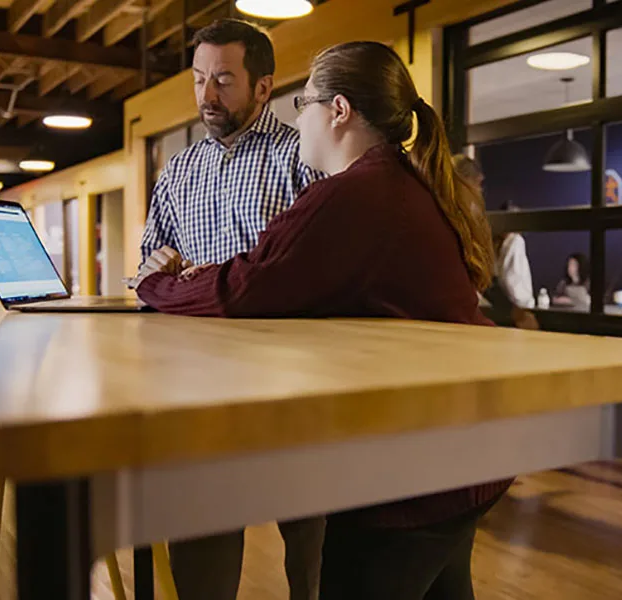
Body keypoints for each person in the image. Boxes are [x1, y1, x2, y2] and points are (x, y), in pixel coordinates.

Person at [133, 40, 512, 599]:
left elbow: (245, 287)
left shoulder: (355, 194)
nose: (296, 120)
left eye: (301, 104)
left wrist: (154, 283)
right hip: (461, 452)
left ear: (338, 111)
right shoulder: (400, 182)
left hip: (412, 475)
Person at [137, 18, 325, 600]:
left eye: (223, 80)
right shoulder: (179, 169)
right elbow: (148, 257)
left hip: (293, 384)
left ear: (263, 87)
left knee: (313, 557)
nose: (206, 95)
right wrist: (161, 259)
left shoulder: (302, 155)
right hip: (198, 386)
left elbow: (320, 266)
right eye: (198, 80)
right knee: (200, 555)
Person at [453, 156, 535, 313]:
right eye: (478, 186)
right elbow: (482, 278)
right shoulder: (461, 223)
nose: (480, 194)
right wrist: (518, 312)